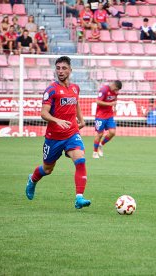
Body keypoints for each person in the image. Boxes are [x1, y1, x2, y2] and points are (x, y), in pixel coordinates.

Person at [25, 56, 91, 209]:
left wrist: (81, 119)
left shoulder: (75, 88)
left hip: (72, 133)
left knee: (80, 159)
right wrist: (57, 120)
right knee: (47, 169)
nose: (60, 71)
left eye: (64, 68)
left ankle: (79, 198)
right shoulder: (51, 90)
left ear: (70, 70)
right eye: (58, 68)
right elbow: (43, 113)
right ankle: (32, 179)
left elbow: (76, 103)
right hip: (53, 137)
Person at [92, 80, 123, 159]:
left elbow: (115, 100)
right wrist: (110, 104)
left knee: (112, 132)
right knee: (100, 134)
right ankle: (95, 152)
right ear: (113, 85)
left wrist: (114, 108)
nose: (116, 91)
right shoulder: (104, 90)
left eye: (117, 90)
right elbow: (98, 101)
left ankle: (101, 145)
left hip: (109, 115)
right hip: (100, 115)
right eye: (116, 89)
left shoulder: (115, 92)